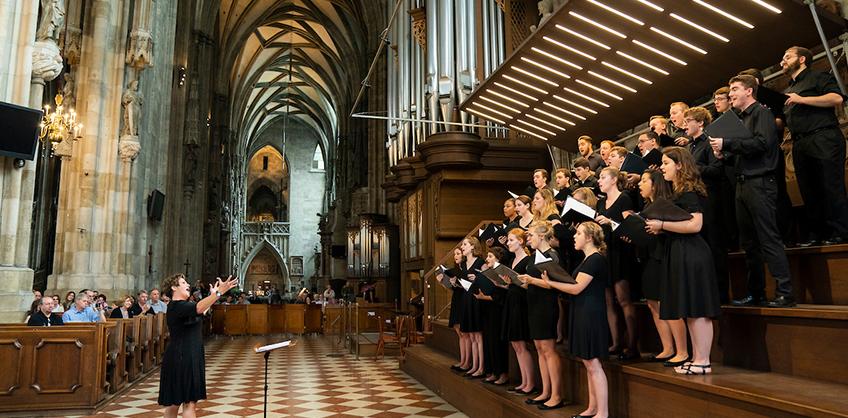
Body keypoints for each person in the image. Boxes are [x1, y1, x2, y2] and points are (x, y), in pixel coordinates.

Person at [710, 74, 795, 307]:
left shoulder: (762, 113)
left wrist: (728, 143)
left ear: (749, 91)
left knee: (769, 239)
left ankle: (785, 292)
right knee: (749, 243)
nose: (731, 94)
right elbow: (743, 153)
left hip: (760, 183)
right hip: (742, 183)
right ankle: (756, 292)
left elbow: (763, 144)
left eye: (735, 89)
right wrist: (724, 155)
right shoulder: (740, 118)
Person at [648, 148, 722, 375]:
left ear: (679, 165)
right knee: (690, 309)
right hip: (682, 251)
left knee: (698, 309)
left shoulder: (689, 190)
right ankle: (698, 358)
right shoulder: (679, 191)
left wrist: (662, 225)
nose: (662, 167)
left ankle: (703, 360)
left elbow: (695, 225)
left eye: (666, 163)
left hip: (692, 253)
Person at [782, 45, 848, 246]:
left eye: (787, 56)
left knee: (831, 186)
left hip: (823, 137)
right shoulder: (788, 89)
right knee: (808, 190)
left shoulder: (819, 78)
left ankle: (841, 232)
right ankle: (817, 234)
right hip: (800, 143)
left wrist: (802, 99)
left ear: (801, 59)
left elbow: (836, 98)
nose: (782, 61)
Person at [543, 222, 610, 418]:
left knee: (594, 364)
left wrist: (550, 282)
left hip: (591, 314)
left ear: (589, 237)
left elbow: (576, 288)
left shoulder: (595, 259)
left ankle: (603, 413)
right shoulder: (586, 259)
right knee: (588, 363)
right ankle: (592, 408)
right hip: (582, 312)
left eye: (579, 233)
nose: (574, 236)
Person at [158, 274, 237, 417]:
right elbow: (199, 308)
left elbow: (201, 310)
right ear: (174, 287)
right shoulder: (177, 306)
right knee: (188, 404)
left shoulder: (184, 307)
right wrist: (219, 292)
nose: (188, 284)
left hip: (185, 355)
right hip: (184, 356)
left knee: (174, 403)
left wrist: (213, 296)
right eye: (183, 282)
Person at [636, 169, 689, 366]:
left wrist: (660, 228)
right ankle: (668, 347)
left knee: (669, 304)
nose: (640, 184)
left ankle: (682, 350)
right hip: (650, 256)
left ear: (655, 184)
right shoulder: (646, 206)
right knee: (653, 303)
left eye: (644, 180)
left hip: (665, 256)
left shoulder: (668, 203)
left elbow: (675, 230)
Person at [686, 106, 730, 304]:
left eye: (688, 121)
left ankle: (721, 294)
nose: (684, 125)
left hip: (711, 200)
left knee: (715, 247)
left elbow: (718, 170)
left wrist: (693, 168)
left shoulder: (709, 141)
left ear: (700, 123)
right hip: (694, 202)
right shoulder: (689, 147)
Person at [518, 222, 564, 410]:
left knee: (549, 349)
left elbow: (553, 284)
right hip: (534, 303)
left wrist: (531, 280)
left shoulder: (552, 255)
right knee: (539, 348)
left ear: (542, 236)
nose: (528, 239)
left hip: (546, 305)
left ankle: (556, 395)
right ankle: (545, 391)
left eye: (531, 236)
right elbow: (532, 282)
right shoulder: (533, 257)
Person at [594, 167, 638, 360]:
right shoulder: (601, 202)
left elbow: (630, 228)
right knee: (608, 301)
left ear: (613, 180)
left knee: (623, 299)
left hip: (620, 251)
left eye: (603, 177)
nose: (599, 181)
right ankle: (616, 342)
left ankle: (632, 344)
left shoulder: (625, 198)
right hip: (605, 252)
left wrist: (609, 221)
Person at [500, 228, 536, 395]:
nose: (508, 243)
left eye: (511, 240)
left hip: (521, 303)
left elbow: (528, 284)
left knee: (521, 344)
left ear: (521, 241)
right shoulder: (512, 261)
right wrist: (503, 282)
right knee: (515, 344)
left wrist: (514, 281)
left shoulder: (528, 260)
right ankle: (524, 381)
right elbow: (511, 284)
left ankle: (530, 383)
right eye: (508, 240)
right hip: (511, 300)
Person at [473, 247, 510, 385]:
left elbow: (501, 296)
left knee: (497, 342)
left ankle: (502, 373)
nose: (487, 259)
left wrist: (485, 297)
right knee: (489, 340)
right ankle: (493, 371)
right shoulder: (489, 272)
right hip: (487, 310)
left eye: (490, 256)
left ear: (498, 259)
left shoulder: (502, 272)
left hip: (498, 311)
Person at [438, 248, 470, 372]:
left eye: (458, 253)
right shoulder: (455, 270)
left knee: (465, 332)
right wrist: (445, 282)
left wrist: (457, 281)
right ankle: (462, 360)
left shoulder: (465, 269)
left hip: (464, 299)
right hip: (457, 298)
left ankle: (467, 362)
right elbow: (454, 287)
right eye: (455, 254)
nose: (455, 256)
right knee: (459, 331)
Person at [458, 237, 486, 378]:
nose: (462, 246)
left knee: (478, 335)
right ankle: (474, 365)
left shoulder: (480, 262)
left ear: (473, 246)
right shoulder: (463, 264)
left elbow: (487, 280)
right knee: (471, 334)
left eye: (465, 244)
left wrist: (478, 278)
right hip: (466, 298)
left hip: (477, 299)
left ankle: (481, 367)